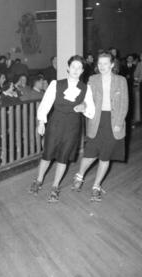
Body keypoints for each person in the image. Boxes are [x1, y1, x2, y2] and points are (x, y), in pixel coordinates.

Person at [29, 55, 95, 202]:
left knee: (63, 157)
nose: (76, 70)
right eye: (73, 67)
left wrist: (84, 107)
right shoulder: (56, 84)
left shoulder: (86, 88)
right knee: (47, 154)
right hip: (55, 123)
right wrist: (41, 123)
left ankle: (55, 186)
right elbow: (45, 104)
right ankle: (38, 180)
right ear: (68, 68)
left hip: (72, 126)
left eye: (79, 68)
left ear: (83, 70)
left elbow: (91, 110)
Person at [72, 51, 128, 202]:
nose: (102, 66)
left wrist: (118, 123)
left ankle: (96, 186)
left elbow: (124, 104)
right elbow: (87, 99)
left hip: (113, 121)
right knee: (91, 152)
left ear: (112, 65)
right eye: (100, 63)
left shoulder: (121, 80)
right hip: (96, 120)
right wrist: (82, 106)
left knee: (106, 155)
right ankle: (80, 175)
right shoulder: (92, 79)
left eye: (105, 63)